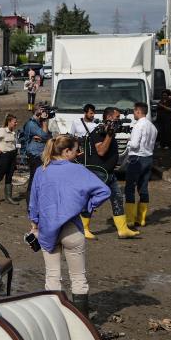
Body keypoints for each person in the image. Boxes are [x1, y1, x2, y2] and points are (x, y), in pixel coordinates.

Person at [29, 134, 112, 317]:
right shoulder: (79, 170)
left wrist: (34, 225)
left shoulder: (41, 170)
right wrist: (86, 206)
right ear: (66, 152)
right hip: (72, 230)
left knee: (52, 276)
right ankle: (83, 322)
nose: (78, 154)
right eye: (76, 151)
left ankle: (55, 320)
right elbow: (104, 191)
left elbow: (33, 203)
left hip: (47, 229)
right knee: (78, 278)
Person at [83, 107, 139, 239]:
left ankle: (122, 229)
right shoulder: (98, 132)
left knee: (117, 198)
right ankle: (83, 227)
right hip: (98, 172)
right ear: (109, 118)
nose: (119, 120)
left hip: (109, 172)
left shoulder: (109, 130)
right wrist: (109, 135)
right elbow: (101, 151)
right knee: (92, 200)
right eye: (117, 117)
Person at [124, 102, 158, 228]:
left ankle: (130, 219)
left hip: (136, 158)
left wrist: (129, 142)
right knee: (143, 188)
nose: (133, 114)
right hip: (148, 158)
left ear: (138, 111)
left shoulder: (139, 125)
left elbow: (134, 145)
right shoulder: (152, 127)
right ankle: (141, 219)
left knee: (129, 188)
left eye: (134, 111)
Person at [20, 106, 52, 208]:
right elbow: (45, 135)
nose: (44, 113)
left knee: (40, 179)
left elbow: (49, 137)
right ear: (37, 112)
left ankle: (37, 203)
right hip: (34, 155)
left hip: (40, 154)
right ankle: (30, 205)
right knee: (34, 179)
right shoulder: (31, 124)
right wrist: (45, 122)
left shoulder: (38, 123)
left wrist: (43, 136)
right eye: (42, 111)